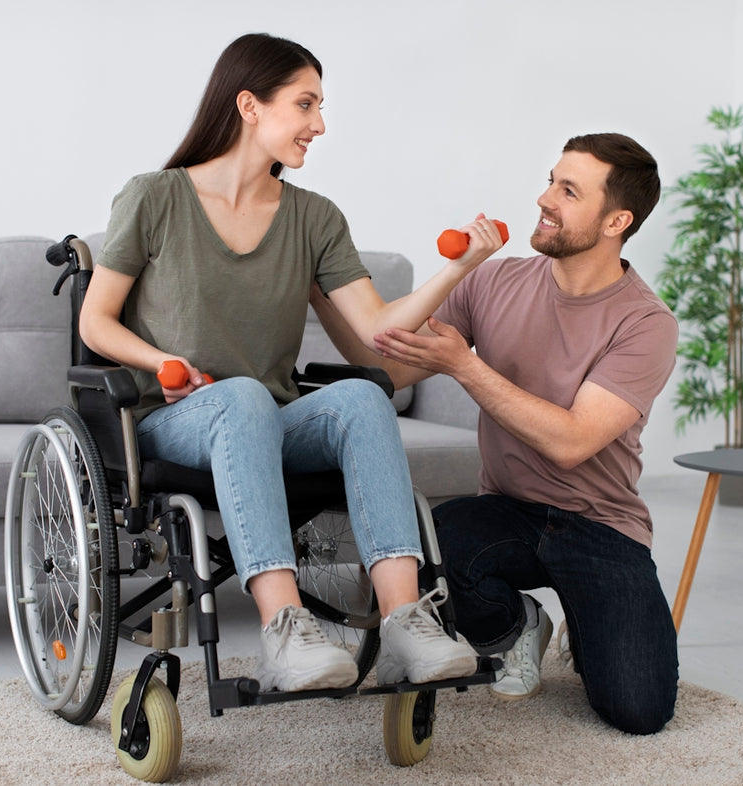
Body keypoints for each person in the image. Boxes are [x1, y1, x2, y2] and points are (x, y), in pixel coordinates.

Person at [78, 33, 502, 693]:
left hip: (268, 418)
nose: (320, 124)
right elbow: (95, 321)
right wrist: (162, 359)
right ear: (249, 105)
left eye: (321, 107)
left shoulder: (315, 218)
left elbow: (374, 335)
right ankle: (283, 632)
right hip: (172, 416)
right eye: (305, 105)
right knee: (245, 396)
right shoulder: (154, 198)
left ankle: (405, 623)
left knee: (363, 396)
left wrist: (458, 269)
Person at [312, 132, 679, 733]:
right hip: (504, 512)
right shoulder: (493, 282)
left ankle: (589, 628)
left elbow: (571, 442)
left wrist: (464, 365)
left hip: (601, 525)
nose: (545, 198)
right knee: (428, 547)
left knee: (638, 709)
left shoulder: (646, 323)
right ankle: (520, 625)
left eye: (568, 190)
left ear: (617, 220)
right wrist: (323, 290)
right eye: (550, 179)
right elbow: (394, 366)